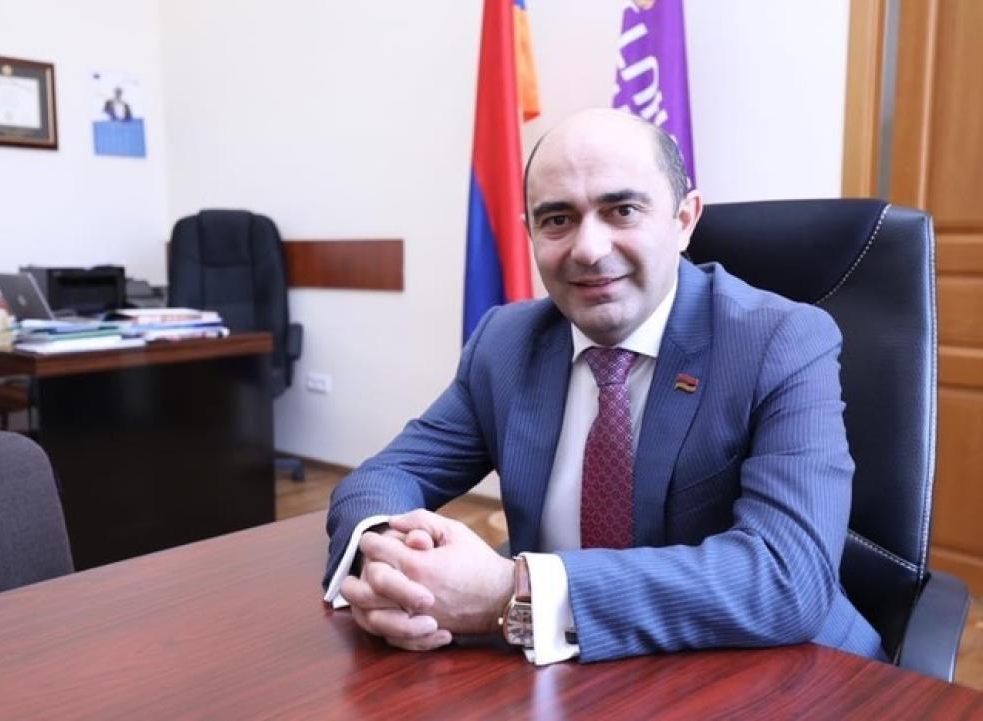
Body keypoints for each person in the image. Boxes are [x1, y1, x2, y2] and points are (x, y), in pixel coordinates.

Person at [323, 108, 884, 665]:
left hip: (782, 671)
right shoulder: (506, 342)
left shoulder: (781, 341)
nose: (588, 249)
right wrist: (392, 564)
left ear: (684, 219)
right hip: (574, 677)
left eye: (623, 210)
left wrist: (510, 592)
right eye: (557, 219)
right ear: (530, 233)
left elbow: (787, 576)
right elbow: (387, 476)